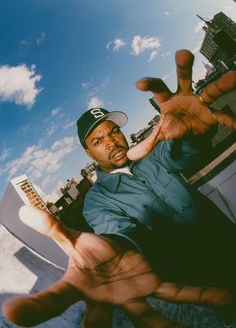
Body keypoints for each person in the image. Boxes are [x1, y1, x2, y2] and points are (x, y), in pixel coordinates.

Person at [2, 50, 236, 328]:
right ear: (89, 154)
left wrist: (196, 132)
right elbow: (122, 235)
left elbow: (185, 154)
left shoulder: (152, 157)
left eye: (114, 131)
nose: (112, 141)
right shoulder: (96, 201)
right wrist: (116, 251)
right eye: (99, 140)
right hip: (194, 278)